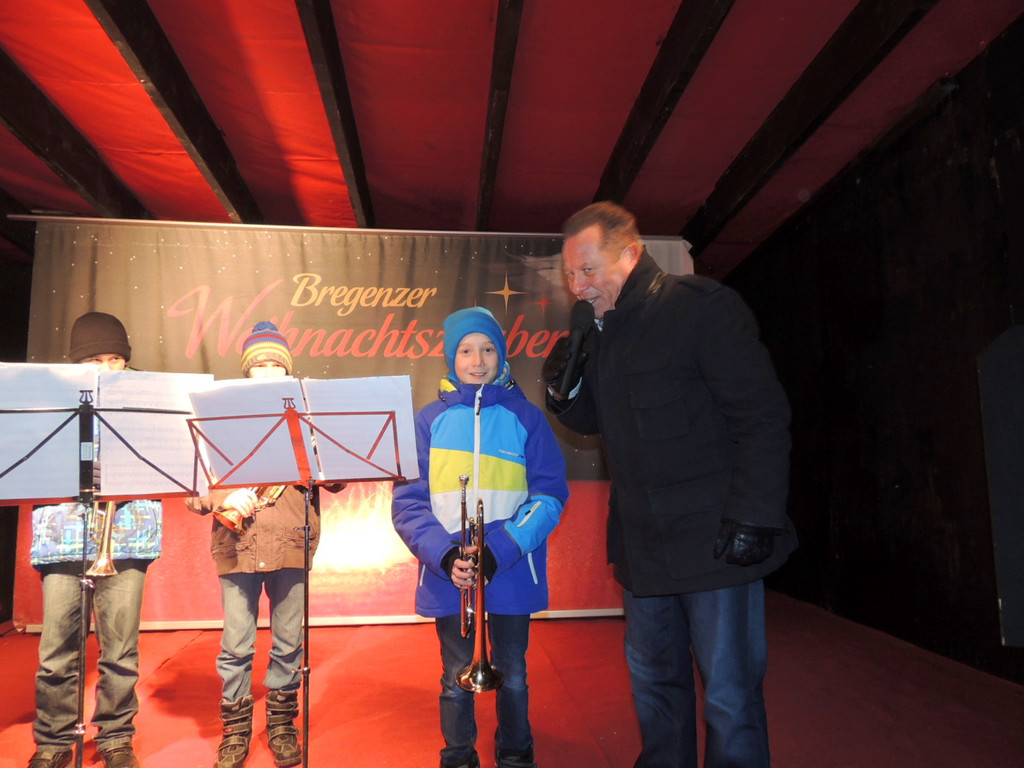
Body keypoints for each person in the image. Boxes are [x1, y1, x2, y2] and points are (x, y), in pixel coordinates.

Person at [543, 202, 797, 768]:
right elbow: (592, 424)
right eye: (571, 274)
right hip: (643, 548)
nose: (579, 286)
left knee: (729, 696)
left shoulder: (699, 307)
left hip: (714, 543)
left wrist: (755, 513)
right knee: (655, 687)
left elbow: (761, 417)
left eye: (588, 270)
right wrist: (566, 388)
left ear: (631, 255)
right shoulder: (601, 332)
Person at [392, 307, 569, 768]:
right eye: (466, 350)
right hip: (450, 573)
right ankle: (457, 754)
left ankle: (515, 750)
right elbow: (408, 504)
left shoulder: (527, 418)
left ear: (502, 355)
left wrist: (502, 549)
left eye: (488, 349)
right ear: (451, 358)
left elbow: (549, 496)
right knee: (455, 677)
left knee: (514, 672)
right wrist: (444, 555)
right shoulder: (427, 422)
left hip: (510, 569)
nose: (477, 360)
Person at [186, 321, 339, 768]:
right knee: (236, 645)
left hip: (293, 540)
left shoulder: (307, 416)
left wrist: (324, 450)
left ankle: (282, 724)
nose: (269, 373)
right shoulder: (218, 416)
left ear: (288, 371)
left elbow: (338, 479)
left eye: (277, 365)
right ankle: (235, 729)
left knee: (289, 642)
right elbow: (193, 490)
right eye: (260, 365)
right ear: (246, 372)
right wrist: (222, 497)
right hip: (238, 544)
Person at [28, 312, 162, 768]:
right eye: (94, 360)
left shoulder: (149, 401)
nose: (107, 368)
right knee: (56, 653)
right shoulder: (47, 400)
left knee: (120, 650)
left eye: (115, 359)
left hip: (128, 536)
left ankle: (116, 737)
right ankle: (53, 742)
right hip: (63, 536)